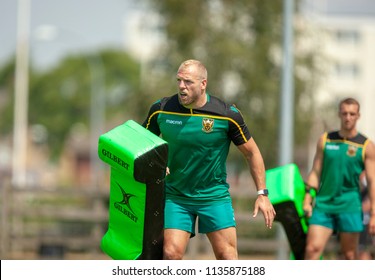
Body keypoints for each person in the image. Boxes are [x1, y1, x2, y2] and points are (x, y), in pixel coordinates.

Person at [142, 59, 276, 260]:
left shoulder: (227, 115)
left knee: (227, 257)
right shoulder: (161, 109)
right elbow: (140, 144)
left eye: (188, 82)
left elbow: (252, 153)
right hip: (176, 196)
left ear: (203, 84)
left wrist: (262, 194)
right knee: (170, 254)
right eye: (179, 80)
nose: (181, 86)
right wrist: (155, 162)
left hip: (213, 196)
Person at [303, 97, 375, 260]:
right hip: (324, 205)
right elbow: (315, 172)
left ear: (358, 116)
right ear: (339, 114)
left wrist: (373, 214)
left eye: (352, 114)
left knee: (349, 255)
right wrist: (307, 199)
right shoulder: (325, 140)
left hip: (350, 205)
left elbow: (372, 182)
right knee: (312, 249)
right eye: (344, 113)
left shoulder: (366, 146)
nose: (348, 117)